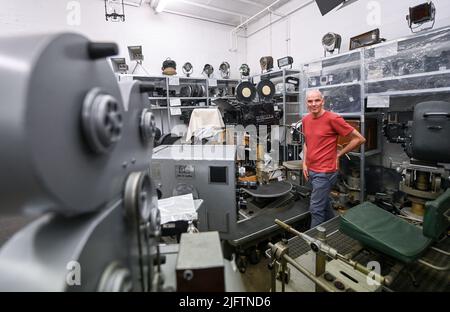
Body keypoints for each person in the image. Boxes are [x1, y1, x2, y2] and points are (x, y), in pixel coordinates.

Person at [302, 90, 366, 228]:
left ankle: (314, 244)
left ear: (323, 101)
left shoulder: (333, 119)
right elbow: (307, 142)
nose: (314, 104)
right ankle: (335, 227)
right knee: (323, 204)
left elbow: (359, 139)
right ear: (306, 103)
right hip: (311, 169)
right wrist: (304, 164)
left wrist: (339, 154)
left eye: (317, 100)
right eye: (310, 101)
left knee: (315, 209)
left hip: (325, 171)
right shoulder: (306, 119)